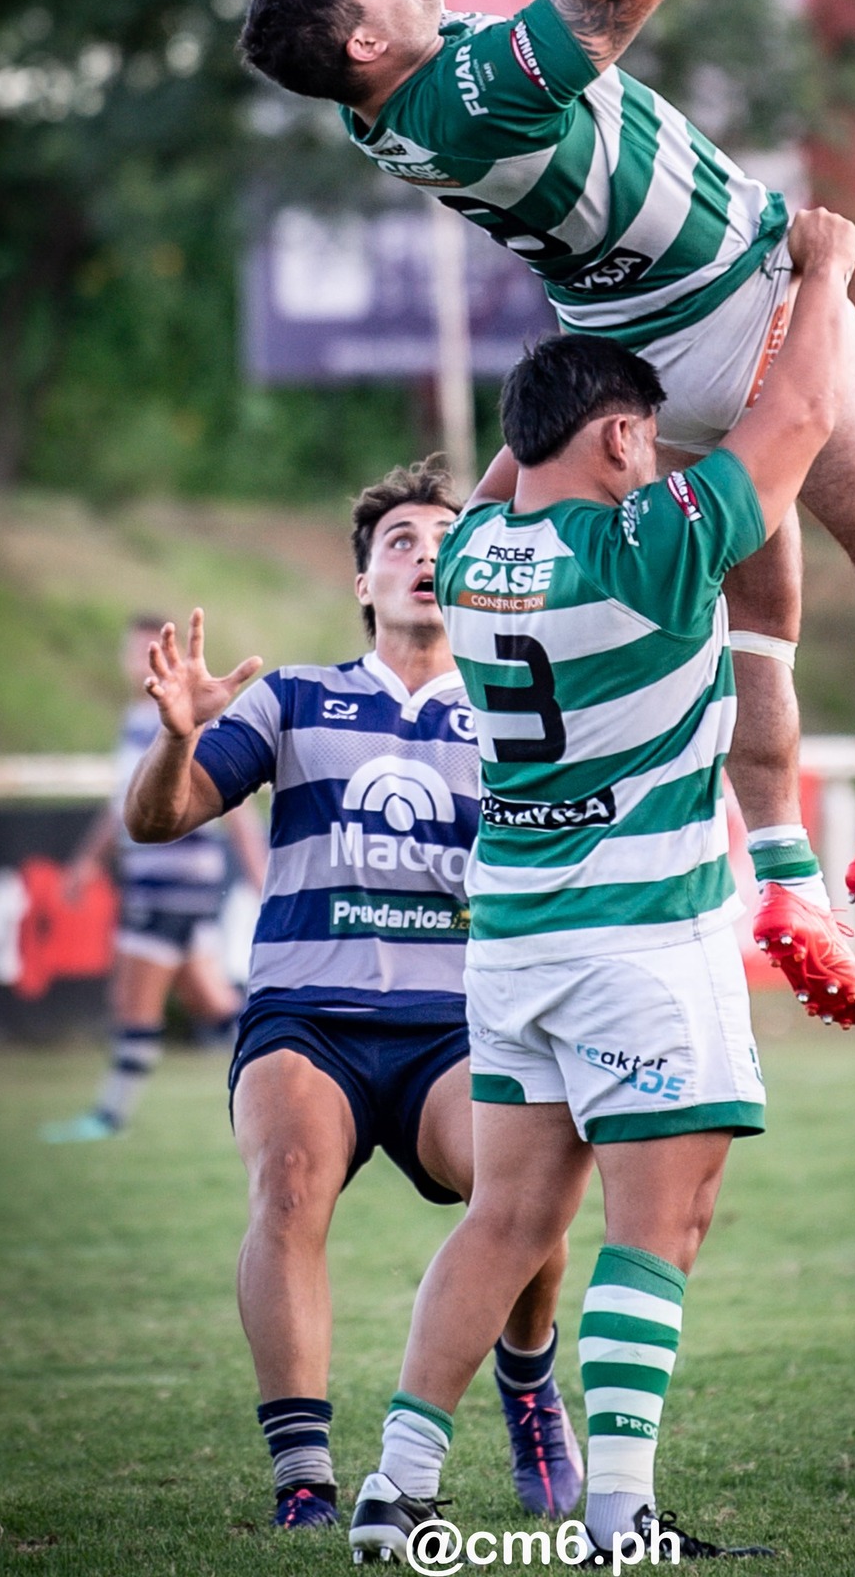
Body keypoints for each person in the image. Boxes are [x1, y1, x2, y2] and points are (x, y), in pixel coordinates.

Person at [237, 0, 855, 1022]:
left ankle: (780, 871)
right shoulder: (475, 90)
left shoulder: (376, 99)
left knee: (759, 614)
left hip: (640, 360)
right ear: (367, 35)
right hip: (736, 305)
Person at [347, 207, 855, 1566]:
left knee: (506, 1221)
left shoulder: (468, 563)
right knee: (662, 1221)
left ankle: (394, 1490)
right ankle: (619, 1518)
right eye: (636, 435)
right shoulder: (649, 550)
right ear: (623, 440)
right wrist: (825, 274)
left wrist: (582, 336)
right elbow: (802, 418)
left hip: (512, 942)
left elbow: (531, 458)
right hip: (639, 938)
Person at [118, 466, 583, 1531]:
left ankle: (526, 1384)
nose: (424, 553)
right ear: (363, 579)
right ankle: (303, 1474)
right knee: (286, 1183)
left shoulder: (521, 714)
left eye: (444, 539)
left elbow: (567, 869)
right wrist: (182, 734)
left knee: (527, 1185)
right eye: (400, 540)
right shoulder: (291, 696)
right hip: (305, 1015)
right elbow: (162, 816)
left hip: (458, 1025)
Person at [41, 614, 267, 1144]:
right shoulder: (134, 721)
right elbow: (123, 804)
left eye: (153, 651)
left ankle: (109, 1116)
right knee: (213, 1003)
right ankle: (295, 1057)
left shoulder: (190, 717)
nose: (144, 662)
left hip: (177, 884)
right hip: (159, 884)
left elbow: (237, 808)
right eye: (135, 651)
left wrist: (261, 875)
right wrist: (87, 861)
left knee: (130, 999)